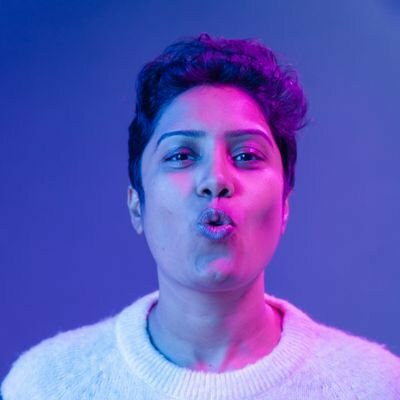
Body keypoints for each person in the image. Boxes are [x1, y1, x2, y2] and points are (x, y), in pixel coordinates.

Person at [2, 33, 400, 399]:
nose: (216, 180)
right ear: (137, 205)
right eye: (181, 155)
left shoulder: (375, 385)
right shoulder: (47, 384)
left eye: (247, 155)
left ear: (284, 207)